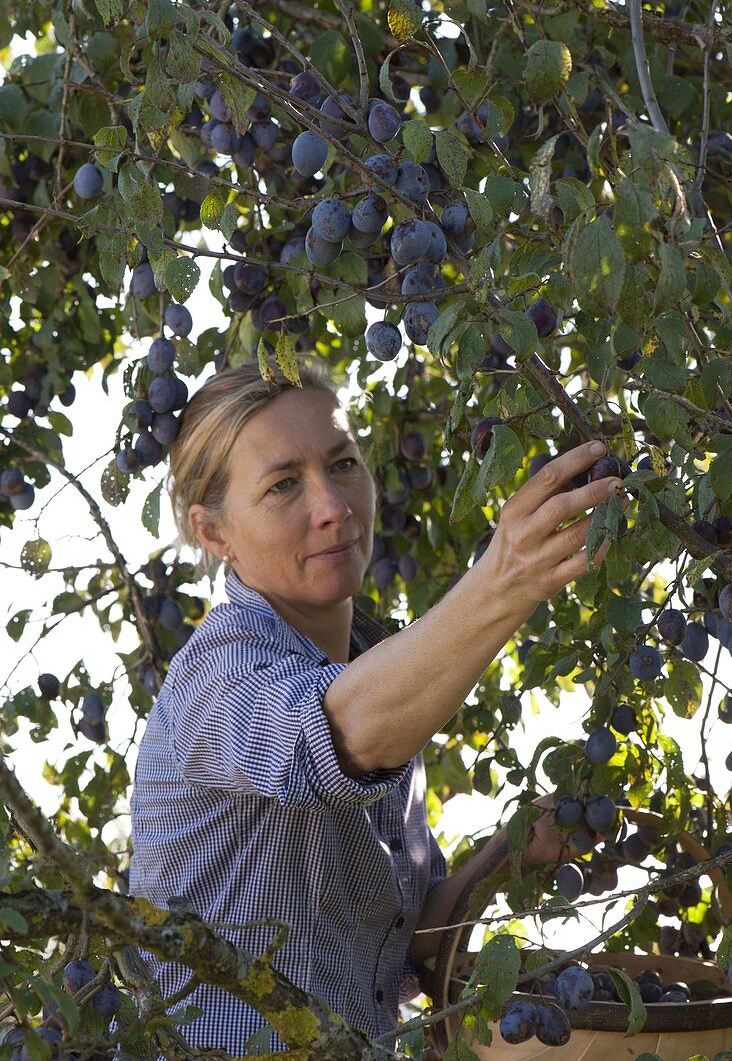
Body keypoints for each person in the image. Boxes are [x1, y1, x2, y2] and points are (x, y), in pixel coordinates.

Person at [129, 354, 622, 1055]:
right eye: (282, 487)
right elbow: (331, 738)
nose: (332, 507)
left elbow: (405, 942)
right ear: (215, 534)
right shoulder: (216, 673)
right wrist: (503, 581)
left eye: (343, 465)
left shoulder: (376, 676)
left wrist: (514, 851)